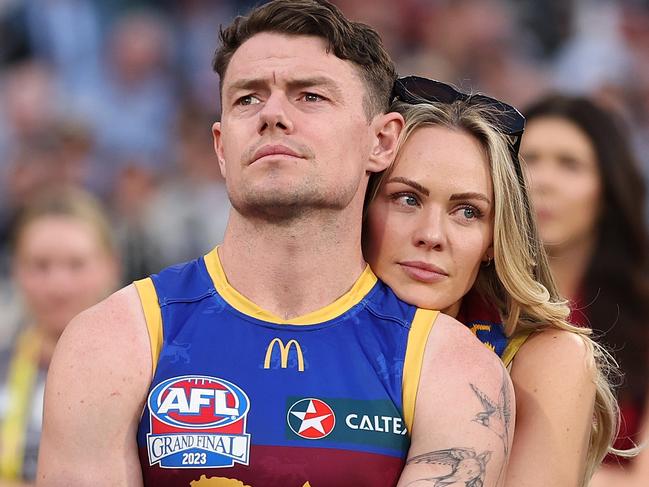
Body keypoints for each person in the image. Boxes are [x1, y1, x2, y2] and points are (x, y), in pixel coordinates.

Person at [37, 1, 513, 486]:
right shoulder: (114, 340)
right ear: (222, 147)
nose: (273, 115)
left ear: (382, 141)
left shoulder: (455, 369)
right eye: (247, 98)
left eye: (310, 96)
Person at [363, 77, 623, 486]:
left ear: (492, 239)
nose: (431, 235)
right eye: (407, 199)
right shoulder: (294, 325)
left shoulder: (547, 357)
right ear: (362, 205)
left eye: (467, 212)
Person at [519, 94, 649, 486]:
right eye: (529, 160)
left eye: (570, 165)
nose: (543, 181)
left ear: (607, 191)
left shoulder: (644, 319)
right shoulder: (465, 303)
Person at [0, 187, 119, 485]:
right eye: (40, 266)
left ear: (110, 266)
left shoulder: (149, 376)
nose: (58, 286)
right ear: (16, 269)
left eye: (76, 265)